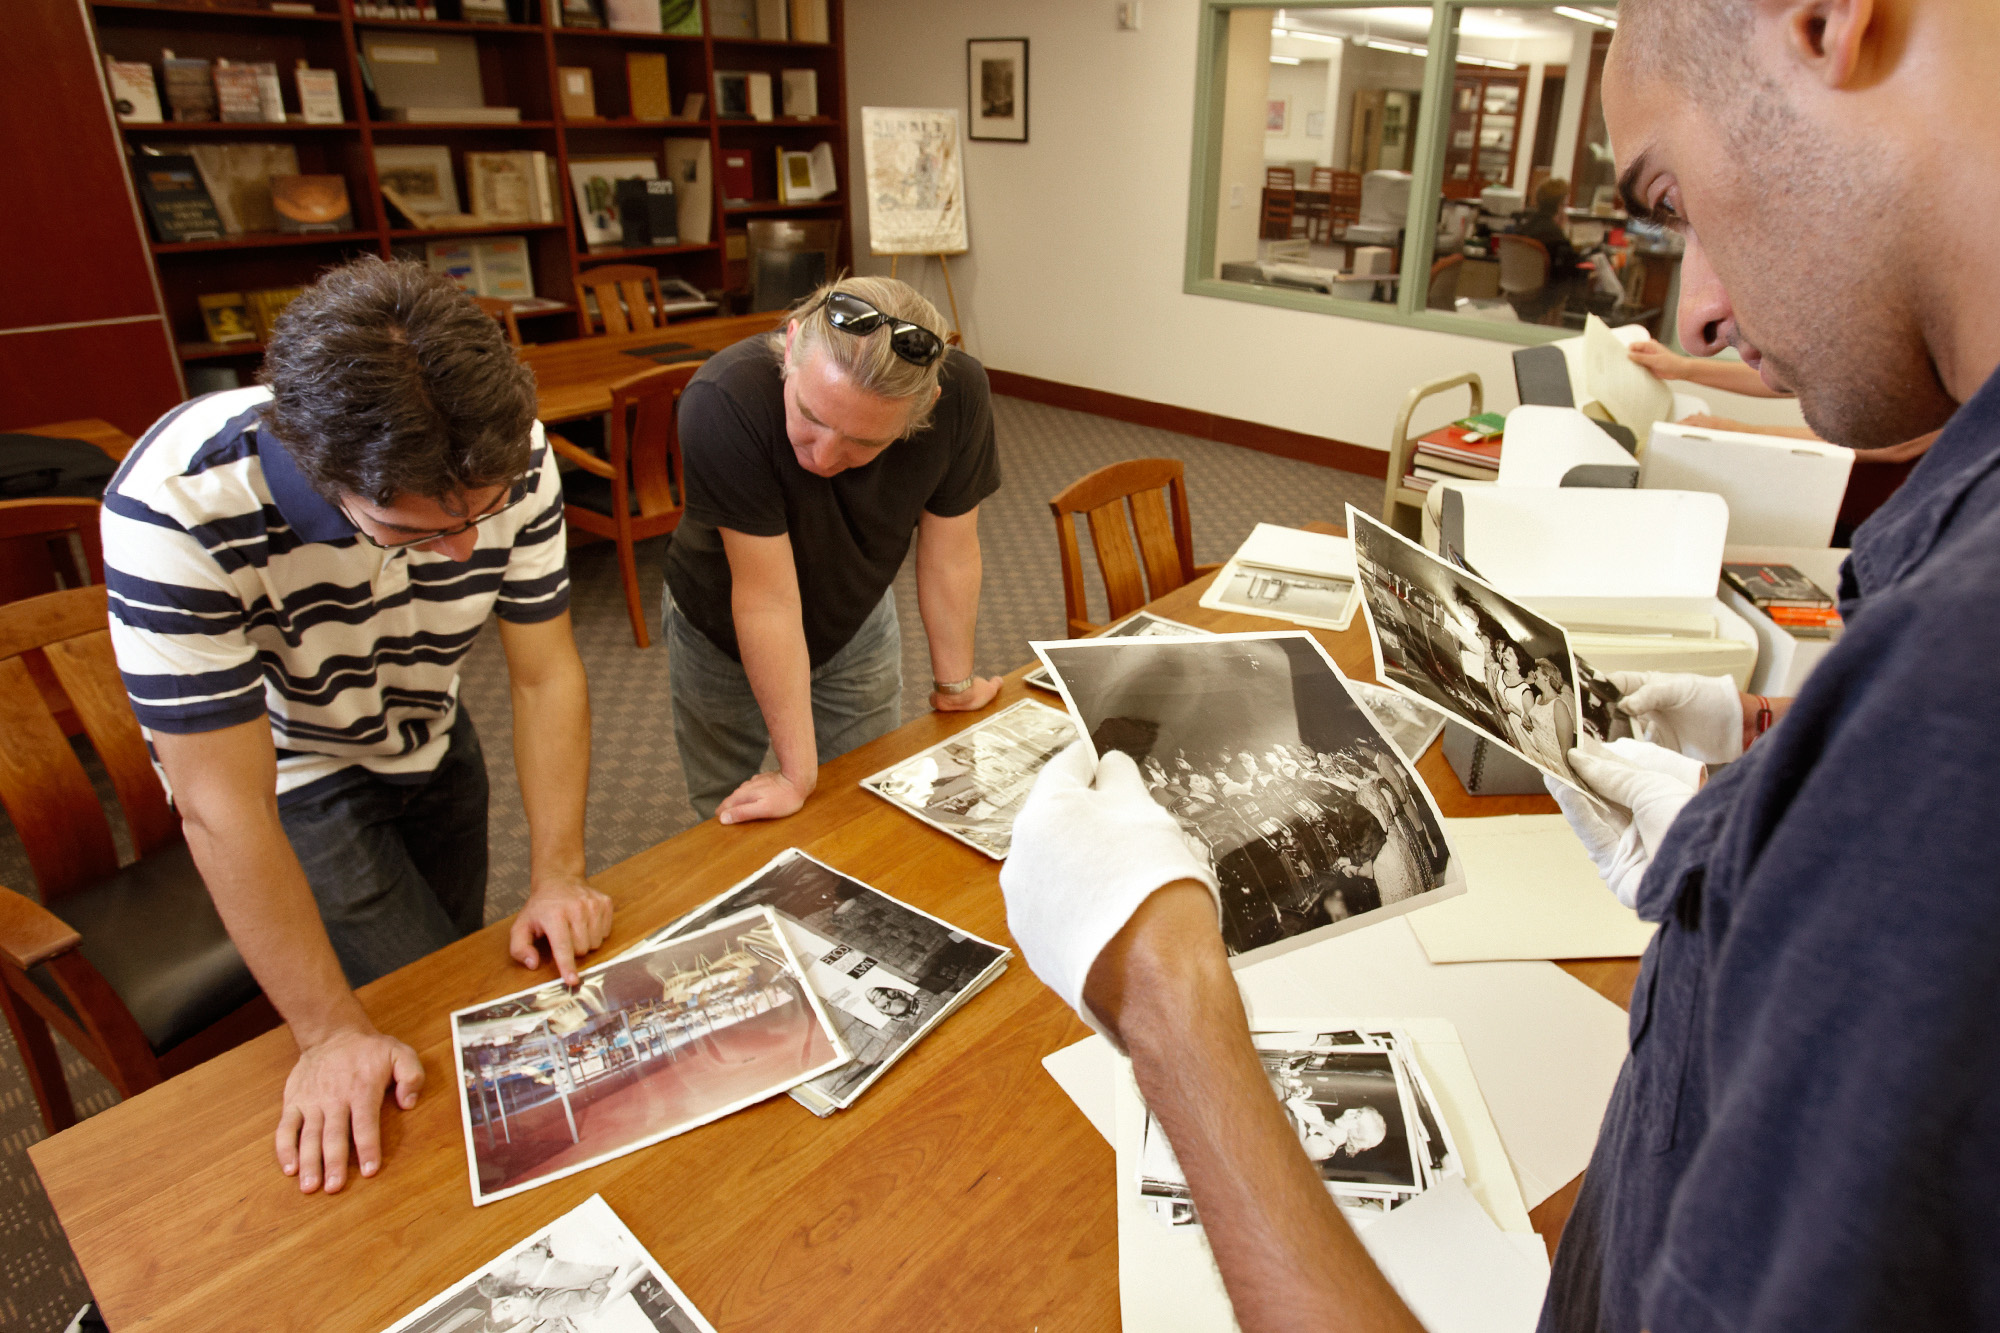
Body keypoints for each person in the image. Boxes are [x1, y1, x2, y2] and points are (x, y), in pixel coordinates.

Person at [999, 0, 2000, 1327]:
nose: (1695, 310)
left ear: (1822, 21)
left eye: (1673, 194)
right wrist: (1750, 796)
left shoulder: (1957, 697)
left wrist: (1169, 1010)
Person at [102, 258, 612, 1196]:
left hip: (429, 726)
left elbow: (544, 676)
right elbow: (223, 806)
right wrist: (327, 1032)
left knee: (455, 973)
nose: (464, 548)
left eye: (484, 513)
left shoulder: (511, 450)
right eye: (413, 530)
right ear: (312, 464)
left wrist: (559, 875)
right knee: (433, 1050)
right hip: (295, 768)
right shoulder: (174, 504)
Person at [661, 276, 1002, 824]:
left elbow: (951, 554)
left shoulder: (960, 395)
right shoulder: (723, 398)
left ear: (927, 406)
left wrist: (954, 686)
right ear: (792, 345)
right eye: (812, 418)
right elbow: (767, 602)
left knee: (862, 798)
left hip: (854, 613)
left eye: (864, 443)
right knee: (728, 809)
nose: (822, 457)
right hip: (721, 619)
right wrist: (796, 775)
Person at [1503, 176, 1584, 323]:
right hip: (1543, 299)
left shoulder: (1522, 229)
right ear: (1560, 205)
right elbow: (1570, 269)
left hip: (1515, 295)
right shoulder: (1555, 235)